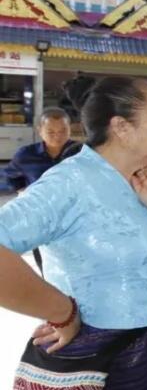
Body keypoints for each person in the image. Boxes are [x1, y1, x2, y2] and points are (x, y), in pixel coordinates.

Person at [0, 76, 147, 390]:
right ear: (122, 128)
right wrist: (61, 312)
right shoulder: (69, 183)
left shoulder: (146, 177)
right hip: (112, 364)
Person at [1, 107, 82, 272]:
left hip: (73, 212)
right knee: (45, 259)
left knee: (74, 258)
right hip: (40, 214)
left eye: (63, 131)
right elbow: (9, 176)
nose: (58, 136)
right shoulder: (26, 155)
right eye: (51, 132)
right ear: (40, 131)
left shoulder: (80, 152)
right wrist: (21, 190)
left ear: (69, 129)